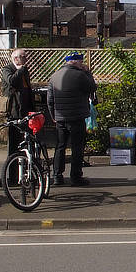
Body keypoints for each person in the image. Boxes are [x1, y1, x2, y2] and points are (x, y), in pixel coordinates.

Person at [47, 52, 97, 187]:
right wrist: (88, 73)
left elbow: (50, 100)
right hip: (77, 117)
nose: (82, 64)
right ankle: (75, 177)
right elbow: (92, 87)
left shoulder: (54, 76)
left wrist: (53, 116)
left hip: (60, 118)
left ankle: (57, 176)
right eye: (81, 61)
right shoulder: (80, 75)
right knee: (77, 147)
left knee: (60, 147)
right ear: (75, 62)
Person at [0, 48, 35, 174]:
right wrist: (20, 70)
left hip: (26, 112)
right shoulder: (7, 69)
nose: (26, 59)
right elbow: (12, 81)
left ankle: (26, 171)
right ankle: (13, 175)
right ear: (16, 59)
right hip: (14, 112)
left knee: (27, 142)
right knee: (14, 144)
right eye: (24, 57)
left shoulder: (25, 71)